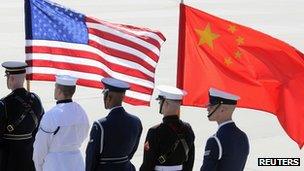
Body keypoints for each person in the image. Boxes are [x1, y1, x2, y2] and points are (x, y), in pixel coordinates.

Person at [33, 75, 90, 171]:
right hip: (76, 164)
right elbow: (84, 133)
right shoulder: (81, 112)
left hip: (54, 165)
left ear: (59, 91)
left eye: (55, 88)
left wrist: (38, 167)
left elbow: (40, 147)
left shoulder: (51, 115)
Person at [86, 77, 143, 171]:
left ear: (108, 97)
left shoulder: (100, 125)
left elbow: (92, 157)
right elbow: (132, 151)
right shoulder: (136, 121)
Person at [0, 61, 44, 171]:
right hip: (30, 157)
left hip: (9, 160)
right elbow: (40, 129)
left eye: (7, 77)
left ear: (11, 79)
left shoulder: (4, 104)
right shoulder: (36, 99)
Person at [140, 85, 195, 171]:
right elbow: (190, 161)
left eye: (160, 102)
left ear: (166, 103)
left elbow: (148, 164)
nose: (159, 104)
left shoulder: (155, 131)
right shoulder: (188, 129)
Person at [201, 88, 250, 171]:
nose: (207, 108)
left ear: (222, 109)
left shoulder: (215, 140)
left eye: (211, 105)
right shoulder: (243, 136)